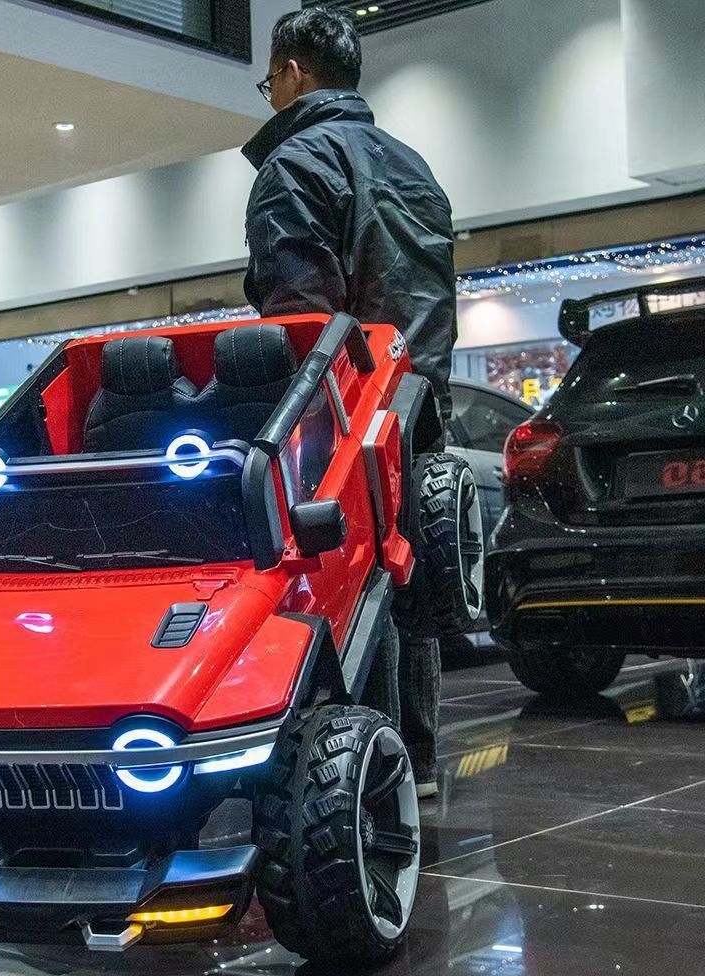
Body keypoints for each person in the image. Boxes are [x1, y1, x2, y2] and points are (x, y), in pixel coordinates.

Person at [242, 6, 458, 797]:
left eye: (271, 80)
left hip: (343, 411)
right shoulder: (414, 167)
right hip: (417, 400)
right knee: (411, 579)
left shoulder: (295, 165)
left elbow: (299, 321)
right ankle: (419, 765)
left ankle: (364, 774)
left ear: (294, 74)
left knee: (351, 582)